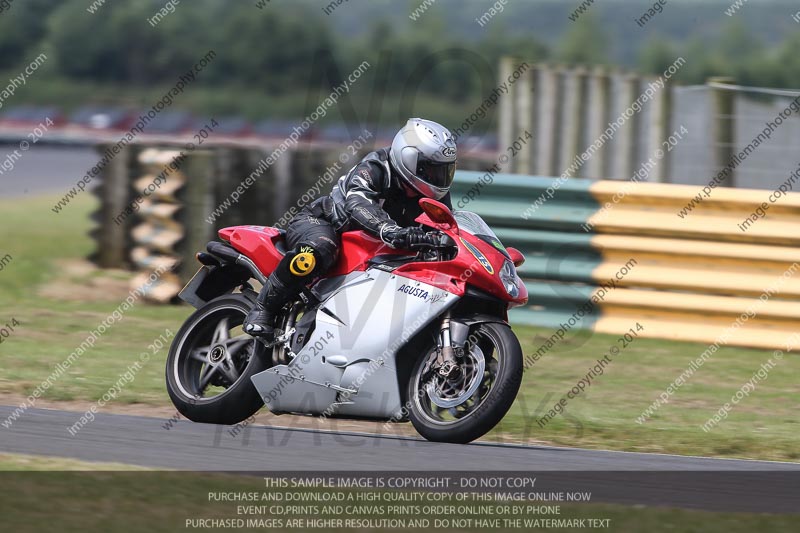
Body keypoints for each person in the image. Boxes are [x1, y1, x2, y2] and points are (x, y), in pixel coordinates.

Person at [243, 118, 458, 340]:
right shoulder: (376, 168)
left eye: (445, 170)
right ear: (409, 158)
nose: (438, 177)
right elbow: (358, 203)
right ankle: (263, 309)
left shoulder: (435, 193)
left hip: (372, 248)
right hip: (324, 223)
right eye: (431, 169)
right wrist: (388, 229)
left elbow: (446, 226)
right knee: (318, 250)